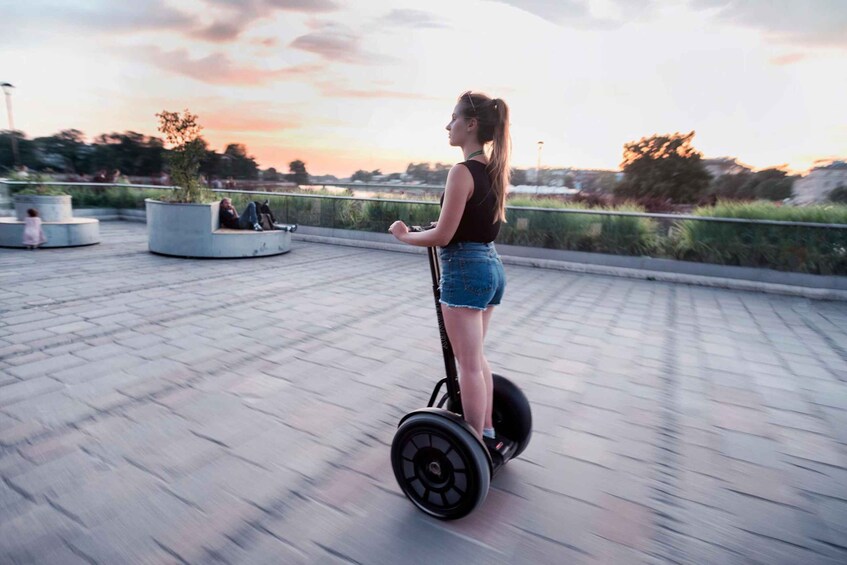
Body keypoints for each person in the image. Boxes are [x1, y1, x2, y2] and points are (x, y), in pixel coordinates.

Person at [389, 91, 510, 443]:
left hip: (465, 270)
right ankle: (486, 431)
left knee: (468, 365)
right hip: (490, 266)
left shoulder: (461, 172)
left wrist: (402, 235)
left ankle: (475, 443)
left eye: (453, 118)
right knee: (475, 359)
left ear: (471, 124)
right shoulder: (494, 170)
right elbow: (468, 223)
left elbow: (443, 235)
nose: (448, 125)